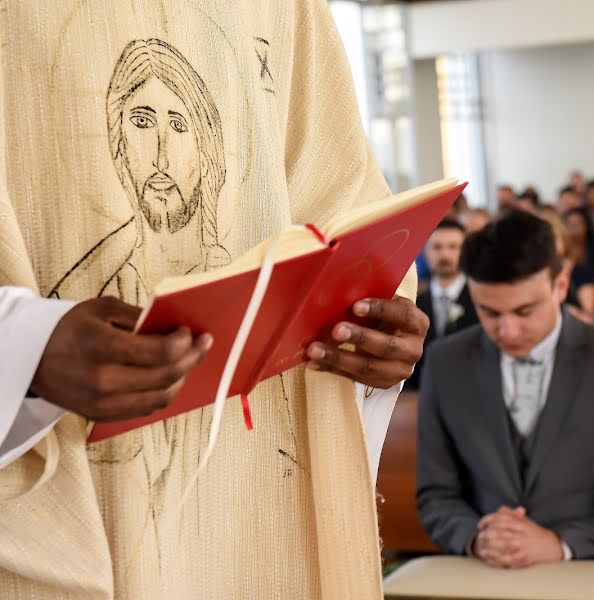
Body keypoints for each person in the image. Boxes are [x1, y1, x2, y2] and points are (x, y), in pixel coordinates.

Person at [0, 3, 430, 598]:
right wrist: (24, 349)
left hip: (251, 521)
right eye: (140, 122)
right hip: (65, 491)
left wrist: (370, 330)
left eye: (180, 127)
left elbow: (341, 201)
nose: (158, 154)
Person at [416, 211, 594, 567]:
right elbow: (435, 494)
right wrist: (478, 538)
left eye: (524, 310)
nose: (508, 330)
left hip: (592, 574)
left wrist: (561, 544)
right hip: (485, 575)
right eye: (489, 312)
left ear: (560, 286)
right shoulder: (445, 362)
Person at [408, 219, 479, 390]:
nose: (445, 255)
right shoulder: (413, 303)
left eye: (453, 247)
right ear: (426, 252)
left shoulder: (479, 300)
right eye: (437, 247)